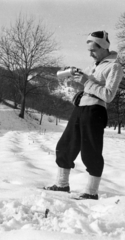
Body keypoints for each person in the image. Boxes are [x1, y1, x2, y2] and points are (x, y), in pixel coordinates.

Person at [45, 31, 123, 200]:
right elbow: (90, 85)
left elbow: (108, 95)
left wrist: (86, 82)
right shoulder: (97, 65)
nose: (90, 54)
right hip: (81, 108)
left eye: (93, 50)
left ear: (103, 47)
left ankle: (91, 192)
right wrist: (80, 88)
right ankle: (62, 185)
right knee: (65, 145)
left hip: (95, 111)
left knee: (91, 151)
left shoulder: (114, 67)